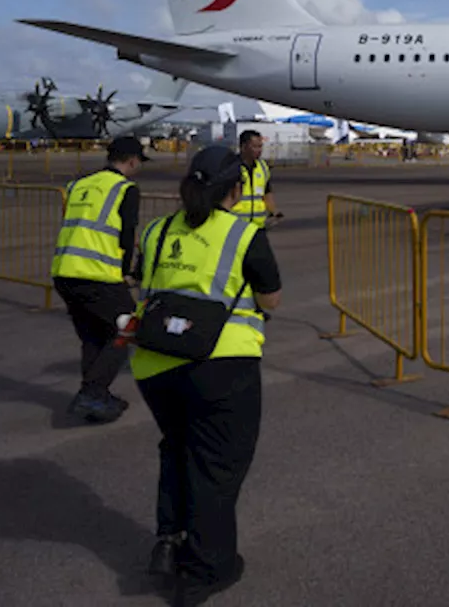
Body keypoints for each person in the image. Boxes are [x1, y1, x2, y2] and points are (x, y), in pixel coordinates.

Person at [132, 145, 282, 606]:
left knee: (177, 449)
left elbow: (143, 282)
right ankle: (205, 569)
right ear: (236, 190)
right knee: (216, 467)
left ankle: (170, 540)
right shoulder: (244, 234)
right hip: (220, 366)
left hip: (154, 365)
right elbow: (271, 299)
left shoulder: (157, 230)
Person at [51, 135, 149, 423]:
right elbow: (126, 235)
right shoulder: (125, 188)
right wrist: (127, 273)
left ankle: (97, 395)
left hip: (65, 271)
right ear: (132, 160)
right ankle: (92, 393)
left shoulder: (78, 185)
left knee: (94, 336)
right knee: (127, 328)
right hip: (97, 274)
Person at [233, 130, 284, 227]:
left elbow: (266, 191)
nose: (259, 150)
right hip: (236, 225)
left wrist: (273, 211)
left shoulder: (263, 167)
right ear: (243, 147)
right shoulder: (232, 167)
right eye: (255, 147)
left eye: (260, 146)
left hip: (258, 225)